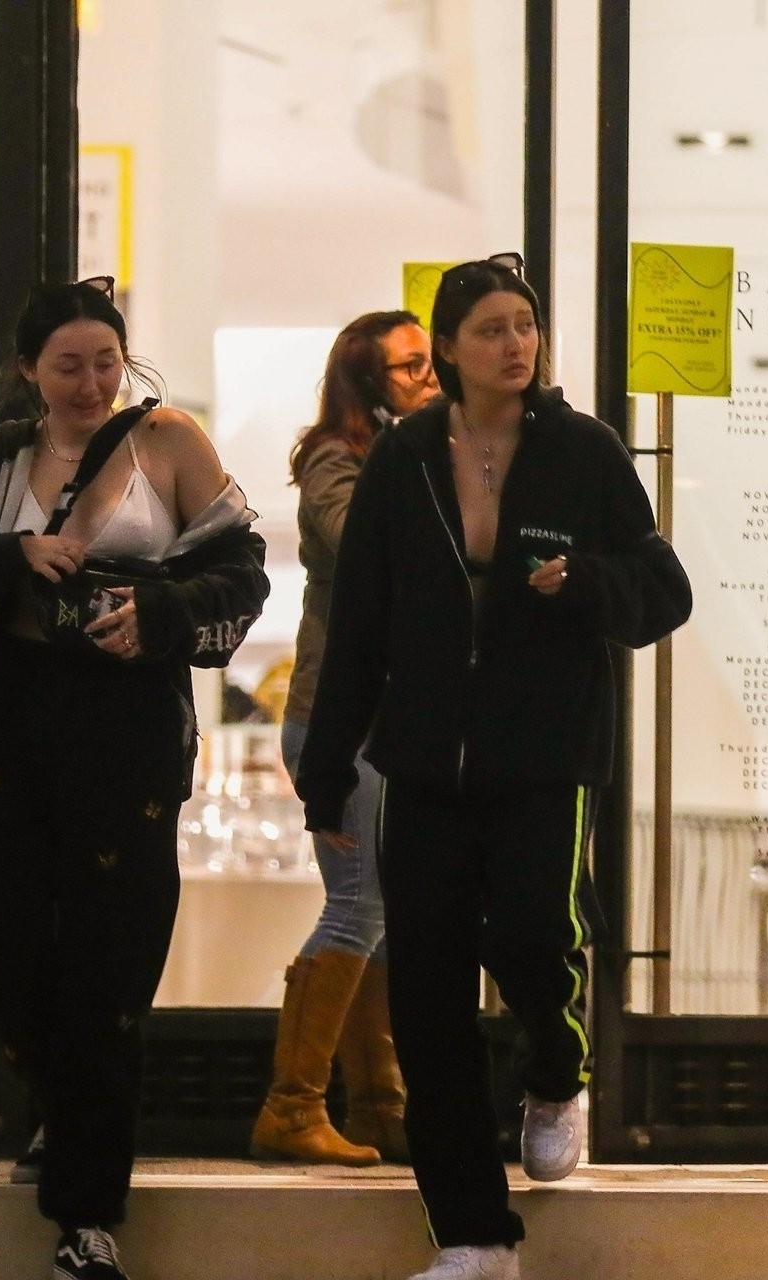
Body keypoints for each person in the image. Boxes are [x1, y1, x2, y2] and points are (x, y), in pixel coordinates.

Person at [294, 255, 692, 1280]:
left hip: (544, 755)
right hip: (423, 762)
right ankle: (474, 1236)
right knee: (426, 995)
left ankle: (555, 1073)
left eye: (525, 325)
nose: (515, 344)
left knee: (533, 937)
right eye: (491, 330)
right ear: (448, 350)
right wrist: (326, 771)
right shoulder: (404, 459)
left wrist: (584, 582)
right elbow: (361, 625)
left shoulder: (584, 451)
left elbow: (665, 590)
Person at [0, 277, 269, 1280]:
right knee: (12, 946)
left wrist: (161, 614)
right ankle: (59, 1101)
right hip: (6, 730)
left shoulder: (170, 442)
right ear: (29, 371)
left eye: (107, 361)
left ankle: (87, 1223)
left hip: (126, 731)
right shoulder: (0, 459)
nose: (93, 382)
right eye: (69, 365)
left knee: (109, 973)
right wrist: (12, 554)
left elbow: (245, 571)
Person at [252, 310, 439, 1166]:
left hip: (389, 722)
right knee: (358, 903)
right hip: (340, 720)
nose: (430, 377)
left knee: (386, 916)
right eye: (411, 367)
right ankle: (292, 1106)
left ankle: (379, 1106)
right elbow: (369, 546)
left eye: (430, 362)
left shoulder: (418, 454)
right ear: (368, 383)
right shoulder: (340, 458)